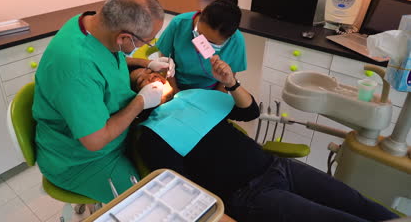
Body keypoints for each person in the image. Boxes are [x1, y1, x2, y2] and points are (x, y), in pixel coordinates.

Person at [130, 57, 399, 222]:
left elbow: (249, 111)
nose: (151, 77)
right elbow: (183, 190)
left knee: (358, 203)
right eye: (142, 81)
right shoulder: (152, 137)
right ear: (137, 99)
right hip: (250, 195)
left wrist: (231, 82)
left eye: (152, 73)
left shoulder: (193, 97)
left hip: (278, 165)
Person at [32, 0, 175, 203]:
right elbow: (95, 141)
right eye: (147, 41)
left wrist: (146, 62)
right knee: (144, 204)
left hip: (114, 136)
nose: (149, 44)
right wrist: (141, 101)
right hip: (81, 160)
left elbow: (104, 62)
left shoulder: (91, 23)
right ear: (124, 38)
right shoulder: (77, 69)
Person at [156, 0, 247, 92]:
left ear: (229, 38)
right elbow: (165, 61)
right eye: (200, 34)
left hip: (211, 92)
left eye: (211, 42)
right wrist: (175, 94)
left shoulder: (236, 41)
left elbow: (226, 82)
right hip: (175, 86)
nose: (201, 44)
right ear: (201, 15)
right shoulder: (178, 23)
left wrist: (213, 100)